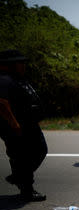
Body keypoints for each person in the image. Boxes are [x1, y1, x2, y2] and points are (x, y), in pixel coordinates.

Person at [0, 50, 47, 201]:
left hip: (29, 124)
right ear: (9, 65)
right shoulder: (4, 79)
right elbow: (2, 103)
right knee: (21, 156)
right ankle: (26, 189)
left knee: (39, 150)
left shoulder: (18, 78)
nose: (23, 65)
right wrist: (14, 124)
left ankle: (19, 177)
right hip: (16, 127)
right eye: (20, 63)